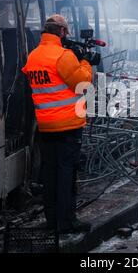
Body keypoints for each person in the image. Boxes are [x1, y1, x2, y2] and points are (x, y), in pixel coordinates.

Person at [22, 14, 92, 233]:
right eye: (66, 33)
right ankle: (67, 222)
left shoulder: (33, 56)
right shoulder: (63, 56)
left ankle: (51, 220)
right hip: (67, 126)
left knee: (50, 175)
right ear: (61, 32)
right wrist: (85, 61)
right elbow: (82, 84)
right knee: (66, 175)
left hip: (45, 126)